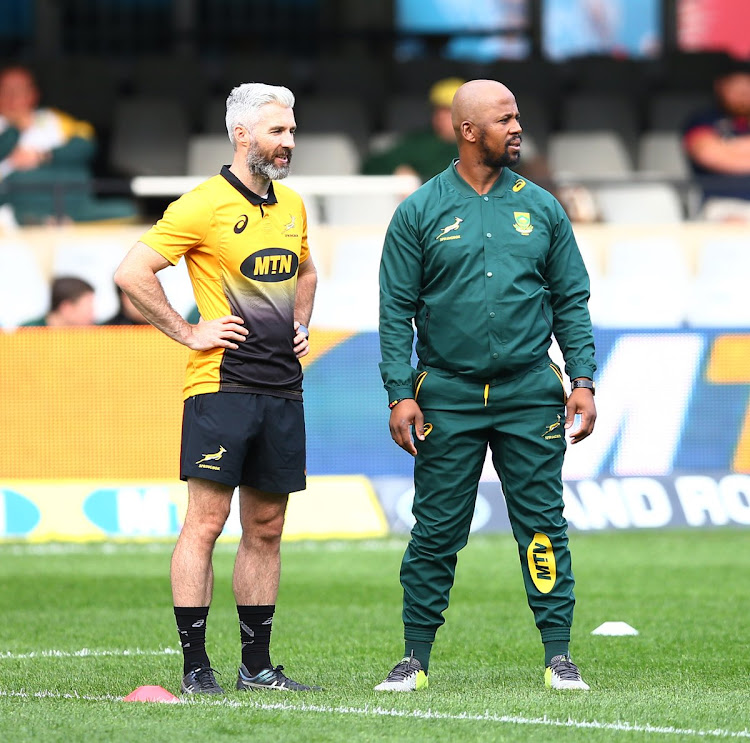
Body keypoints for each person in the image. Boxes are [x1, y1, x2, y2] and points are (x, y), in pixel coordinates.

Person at [376, 79, 597, 692]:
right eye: (505, 119)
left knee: (542, 525)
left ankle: (558, 657)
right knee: (437, 530)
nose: (517, 127)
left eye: (518, 116)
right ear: (468, 131)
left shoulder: (545, 208)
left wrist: (582, 378)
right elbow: (395, 311)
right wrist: (400, 392)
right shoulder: (418, 210)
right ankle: (414, 659)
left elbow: (571, 301)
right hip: (445, 394)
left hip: (531, 392)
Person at [114, 82, 318, 695]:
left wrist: (299, 323)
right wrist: (189, 332)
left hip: (282, 387)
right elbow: (132, 272)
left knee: (267, 527)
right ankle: (195, 667)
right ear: (242, 135)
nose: (288, 142)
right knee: (205, 523)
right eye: (277, 131)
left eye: (291, 130)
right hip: (221, 388)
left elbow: (305, 269)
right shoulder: (201, 204)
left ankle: (256, 667)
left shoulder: (292, 207)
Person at [0, 65, 137, 225]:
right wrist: (14, 129)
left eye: (19, 90)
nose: (12, 97)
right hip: (16, 208)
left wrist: (42, 156)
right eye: (6, 90)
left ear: (34, 94)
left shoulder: (53, 120)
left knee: (127, 210)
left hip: (72, 205)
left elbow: (86, 144)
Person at [683, 58, 750, 222]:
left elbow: (724, 153)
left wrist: (731, 147)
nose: (743, 93)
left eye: (747, 86)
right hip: (723, 203)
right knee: (734, 225)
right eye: (736, 86)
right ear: (720, 86)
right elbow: (709, 155)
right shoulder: (704, 119)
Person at [362, 77, 465, 183]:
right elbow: (372, 166)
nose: (440, 116)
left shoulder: (479, 145)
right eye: (437, 110)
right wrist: (398, 169)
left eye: (449, 110)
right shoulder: (419, 142)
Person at [22, 275, 95, 327]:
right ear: (67, 308)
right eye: (89, 310)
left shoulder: (92, 333)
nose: (93, 316)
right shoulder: (28, 332)